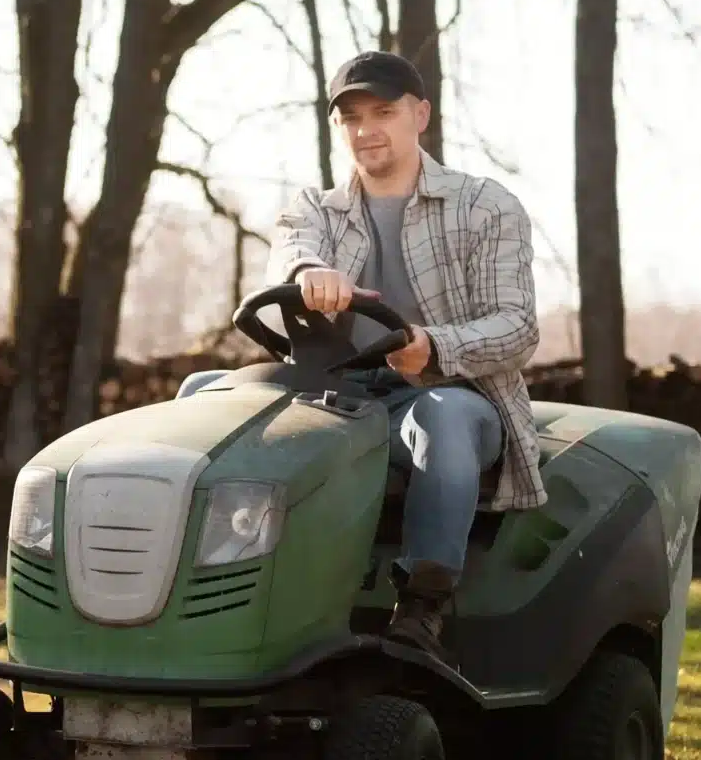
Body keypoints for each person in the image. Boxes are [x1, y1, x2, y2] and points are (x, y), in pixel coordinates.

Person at [179, 50, 545, 664]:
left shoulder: (486, 207)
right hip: (335, 396)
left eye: (383, 111)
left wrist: (434, 347)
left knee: (442, 419)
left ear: (420, 114)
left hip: (451, 395)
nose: (365, 128)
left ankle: (423, 605)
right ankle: (199, 588)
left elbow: (518, 327)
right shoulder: (316, 209)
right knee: (201, 392)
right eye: (350, 117)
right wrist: (310, 271)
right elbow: (294, 248)